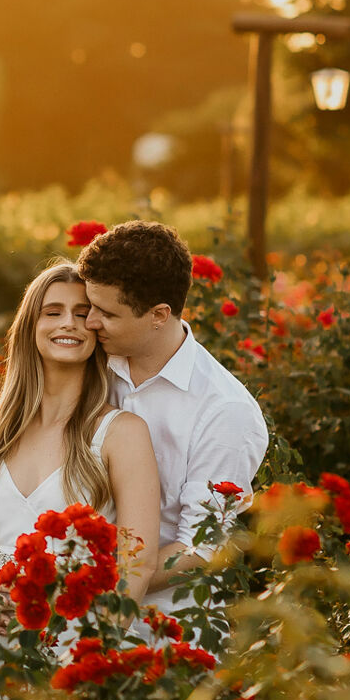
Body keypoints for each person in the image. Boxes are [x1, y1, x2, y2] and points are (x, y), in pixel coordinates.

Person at [0, 262, 163, 636]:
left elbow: (139, 564)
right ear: (30, 326)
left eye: (83, 315)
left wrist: (91, 653)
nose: (68, 323)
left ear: (97, 330)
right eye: (53, 312)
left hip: (72, 650)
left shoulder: (121, 434)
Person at [73, 219, 267, 622]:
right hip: (65, 609)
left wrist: (101, 587)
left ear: (159, 314)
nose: (89, 321)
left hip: (164, 629)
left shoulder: (224, 411)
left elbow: (200, 547)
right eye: (89, 305)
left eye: (106, 313)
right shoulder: (88, 363)